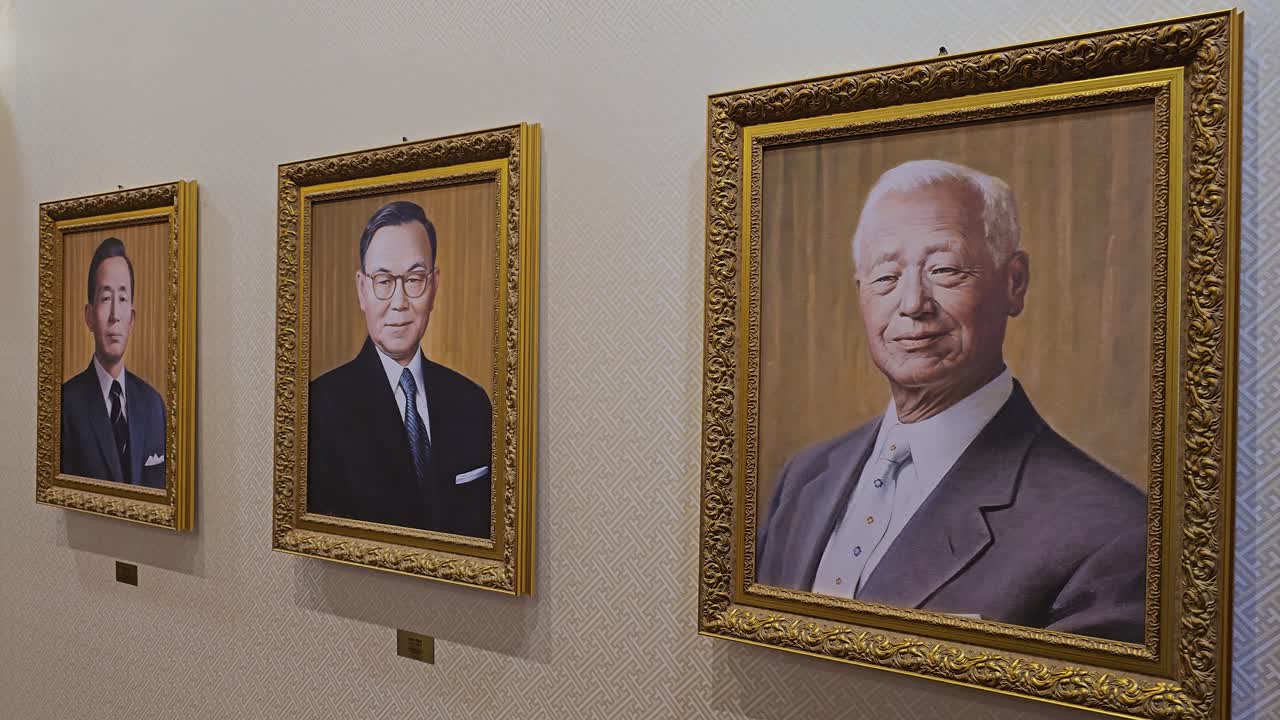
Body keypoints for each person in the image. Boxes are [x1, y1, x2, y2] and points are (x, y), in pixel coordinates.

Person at [756, 160, 1147, 643]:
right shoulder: (805, 477)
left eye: (944, 269)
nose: (913, 303)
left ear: (1014, 282)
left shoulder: (1112, 532)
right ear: (861, 294)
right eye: (885, 277)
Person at [307, 200, 492, 538]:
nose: (399, 301)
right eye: (383, 281)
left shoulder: (472, 403)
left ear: (434, 286)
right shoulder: (319, 406)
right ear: (362, 289)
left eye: (414, 279)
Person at [60, 237, 167, 488]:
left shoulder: (153, 405)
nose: (113, 316)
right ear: (89, 316)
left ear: (131, 317)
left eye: (121, 299)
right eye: (106, 298)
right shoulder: (65, 404)